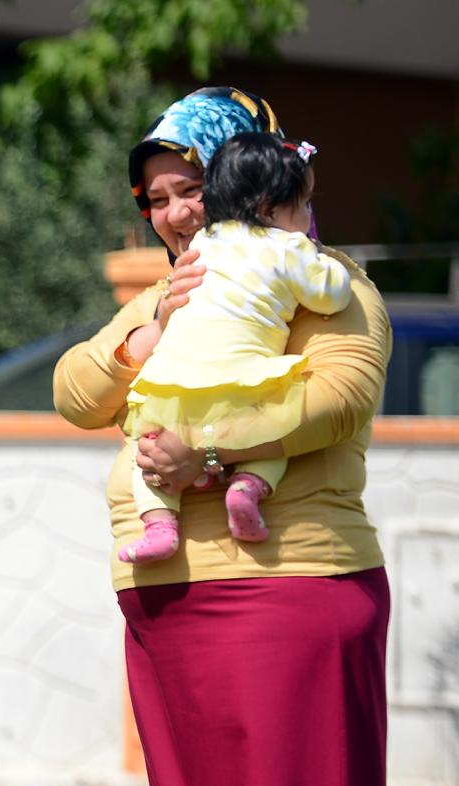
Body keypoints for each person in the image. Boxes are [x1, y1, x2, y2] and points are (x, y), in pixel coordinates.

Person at [53, 86, 411, 786]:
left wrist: (204, 451)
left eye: (188, 189)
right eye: (153, 199)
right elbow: (77, 394)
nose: (171, 215)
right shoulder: (178, 290)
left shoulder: (322, 278)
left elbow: (335, 398)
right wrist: (146, 331)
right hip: (168, 590)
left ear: (237, 176)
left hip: (292, 578)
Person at [120, 130, 353, 564]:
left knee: (146, 451)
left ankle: (159, 525)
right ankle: (248, 487)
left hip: (172, 384)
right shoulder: (289, 247)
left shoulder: (204, 243)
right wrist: (324, 261)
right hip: (243, 383)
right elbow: (332, 295)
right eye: (302, 204)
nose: (307, 214)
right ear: (268, 207)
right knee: (271, 436)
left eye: (193, 190)